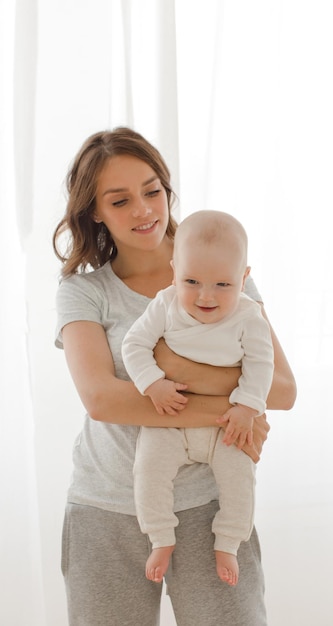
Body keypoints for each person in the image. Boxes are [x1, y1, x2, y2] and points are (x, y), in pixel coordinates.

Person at [53, 126, 296, 626]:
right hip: (107, 507)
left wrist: (215, 393)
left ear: (167, 188)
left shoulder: (222, 271)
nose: (144, 210)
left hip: (209, 504)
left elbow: (283, 390)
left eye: (152, 191)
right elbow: (101, 399)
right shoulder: (83, 293)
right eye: (120, 201)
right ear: (94, 210)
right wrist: (232, 412)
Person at [122, 209, 274, 587]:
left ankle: (229, 542)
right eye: (191, 280)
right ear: (174, 271)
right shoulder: (166, 303)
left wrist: (246, 407)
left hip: (223, 426)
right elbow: (134, 344)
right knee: (148, 469)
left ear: (244, 278)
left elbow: (262, 363)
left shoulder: (249, 316)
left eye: (223, 285)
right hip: (171, 420)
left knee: (240, 477)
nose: (206, 296)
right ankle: (160, 537)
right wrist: (152, 383)